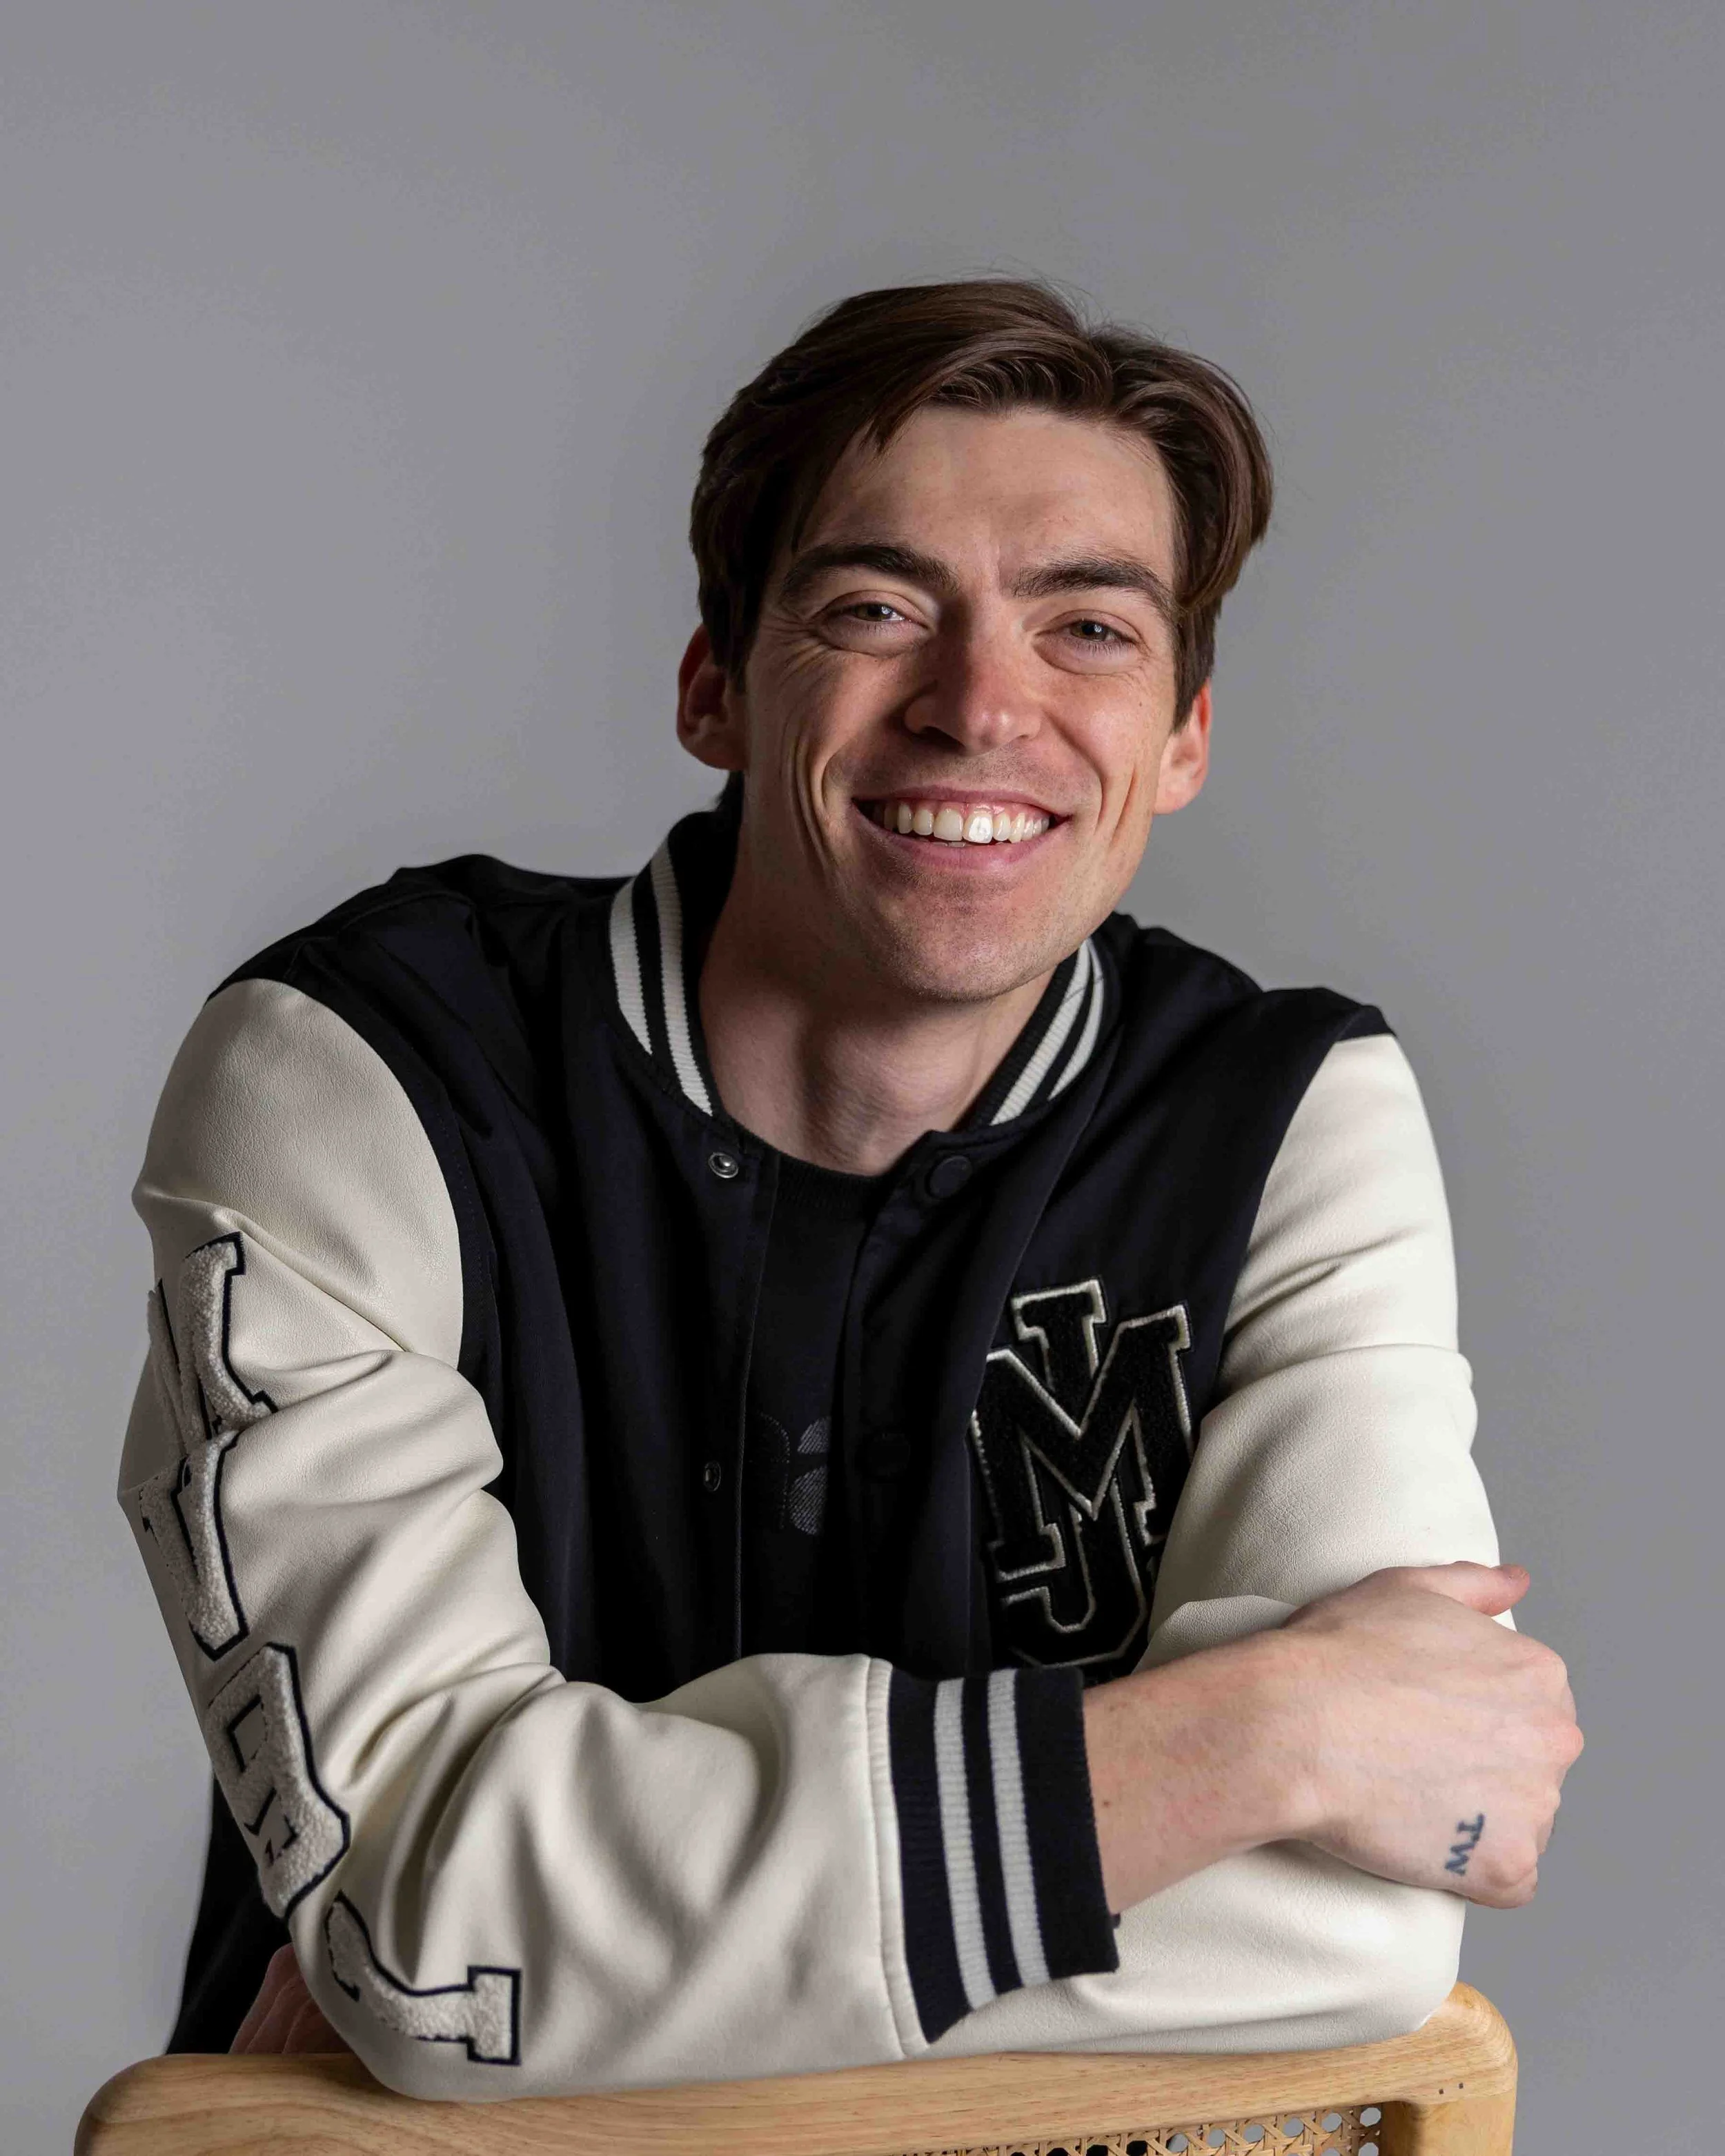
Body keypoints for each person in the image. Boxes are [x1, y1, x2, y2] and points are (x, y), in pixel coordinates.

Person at [120, 279, 1580, 2096]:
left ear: (1184, 735)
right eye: (878, 609)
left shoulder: (1291, 1113)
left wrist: (541, 1963)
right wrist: (1253, 1736)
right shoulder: (357, 1073)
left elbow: (1363, 1922)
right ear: (715, 684)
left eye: (1091, 630)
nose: (981, 706)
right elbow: (449, 1937)